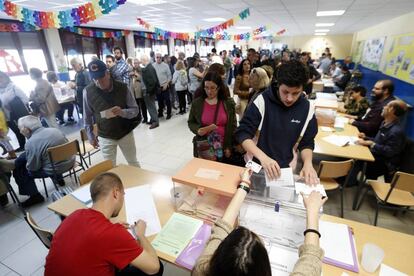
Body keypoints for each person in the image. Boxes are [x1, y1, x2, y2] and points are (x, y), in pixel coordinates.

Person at [192, 169, 327, 276]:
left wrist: (244, 185)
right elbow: (311, 258)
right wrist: (312, 211)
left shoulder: (201, 270)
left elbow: (220, 229)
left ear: (217, 258)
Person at [45, 172, 163, 276]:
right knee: (159, 267)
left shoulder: (75, 214)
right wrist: (140, 234)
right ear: (116, 193)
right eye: (123, 195)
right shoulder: (112, 234)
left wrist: (112, 229)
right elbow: (154, 268)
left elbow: (92, 235)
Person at [235, 60, 319, 184]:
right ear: (278, 84)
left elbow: (307, 142)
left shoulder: (307, 109)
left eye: (295, 93)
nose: (289, 98)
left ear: (302, 88)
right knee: (250, 199)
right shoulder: (262, 101)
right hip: (256, 164)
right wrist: (263, 158)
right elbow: (243, 134)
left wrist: (308, 163)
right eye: (285, 92)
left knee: (278, 201)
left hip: (285, 169)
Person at [83, 60, 140, 167]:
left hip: (125, 133)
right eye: (95, 79)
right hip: (105, 135)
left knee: (133, 162)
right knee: (110, 167)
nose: (99, 82)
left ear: (108, 74)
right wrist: (90, 136)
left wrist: (122, 112)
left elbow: (135, 110)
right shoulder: (87, 91)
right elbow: (87, 117)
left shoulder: (123, 87)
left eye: (101, 78)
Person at [13, 115, 75, 207]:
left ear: (26, 129)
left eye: (20, 129)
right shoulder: (55, 130)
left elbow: (33, 168)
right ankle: (58, 178)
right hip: (70, 162)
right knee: (45, 155)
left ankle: (35, 196)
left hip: (54, 169)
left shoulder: (31, 143)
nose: (20, 131)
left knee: (19, 168)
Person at [351, 100, 407, 183]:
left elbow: (390, 152)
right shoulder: (384, 123)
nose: (383, 107)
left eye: (386, 106)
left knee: (358, 158)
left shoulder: (396, 131)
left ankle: (348, 182)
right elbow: (379, 141)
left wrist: (372, 144)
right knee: (356, 150)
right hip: (377, 155)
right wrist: (366, 137)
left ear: (391, 110)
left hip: (384, 163)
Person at [188, 72, 236, 163]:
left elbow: (232, 126)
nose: (209, 91)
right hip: (205, 146)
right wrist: (198, 130)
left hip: (224, 146)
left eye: (213, 88)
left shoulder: (228, 103)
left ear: (219, 87)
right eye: (206, 87)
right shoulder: (197, 103)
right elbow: (191, 122)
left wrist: (229, 146)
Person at [0, 71, 28, 151]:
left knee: (25, 130)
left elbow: (25, 99)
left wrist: (13, 105)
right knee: (16, 131)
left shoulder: (13, 87)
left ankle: (32, 144)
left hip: (18, 114)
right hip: (6, 116)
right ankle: (22, 146)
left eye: (1, 77)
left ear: (5, 78)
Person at [141, 55, 160, 130]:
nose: (141, 62)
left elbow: (153, 81)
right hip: (149, 90)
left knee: (151, 106)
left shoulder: (149, 68)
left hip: (149, 91)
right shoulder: (149, 67)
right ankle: (153, 119)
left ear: (144, 60)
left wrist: (149, 91)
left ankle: (155, 121)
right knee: (150, 106)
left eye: (141, 60)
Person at [153, 53, 172, 120]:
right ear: (155, 58)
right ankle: (160, 112)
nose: (159, 58)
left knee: (167, 100)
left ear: (162, 58)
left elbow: (169, 76)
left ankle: (169, 113)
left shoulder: (165, 65)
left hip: (165, 85)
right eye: (157, 57)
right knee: (159, 101)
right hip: (158, 87)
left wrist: (167, 84)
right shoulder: (153, 66)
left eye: (160, 57)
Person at [131, 58, 148, 124]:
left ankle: (145, 118)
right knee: (136, 105)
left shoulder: (141, 70)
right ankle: (139, 117)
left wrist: (136, 75)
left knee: (143, 105)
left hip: (140, 90)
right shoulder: (132, 70)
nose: (135, 64)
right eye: (134, 63)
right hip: (134, 90)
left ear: (139, 63)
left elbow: (142, 79)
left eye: (136, 63)